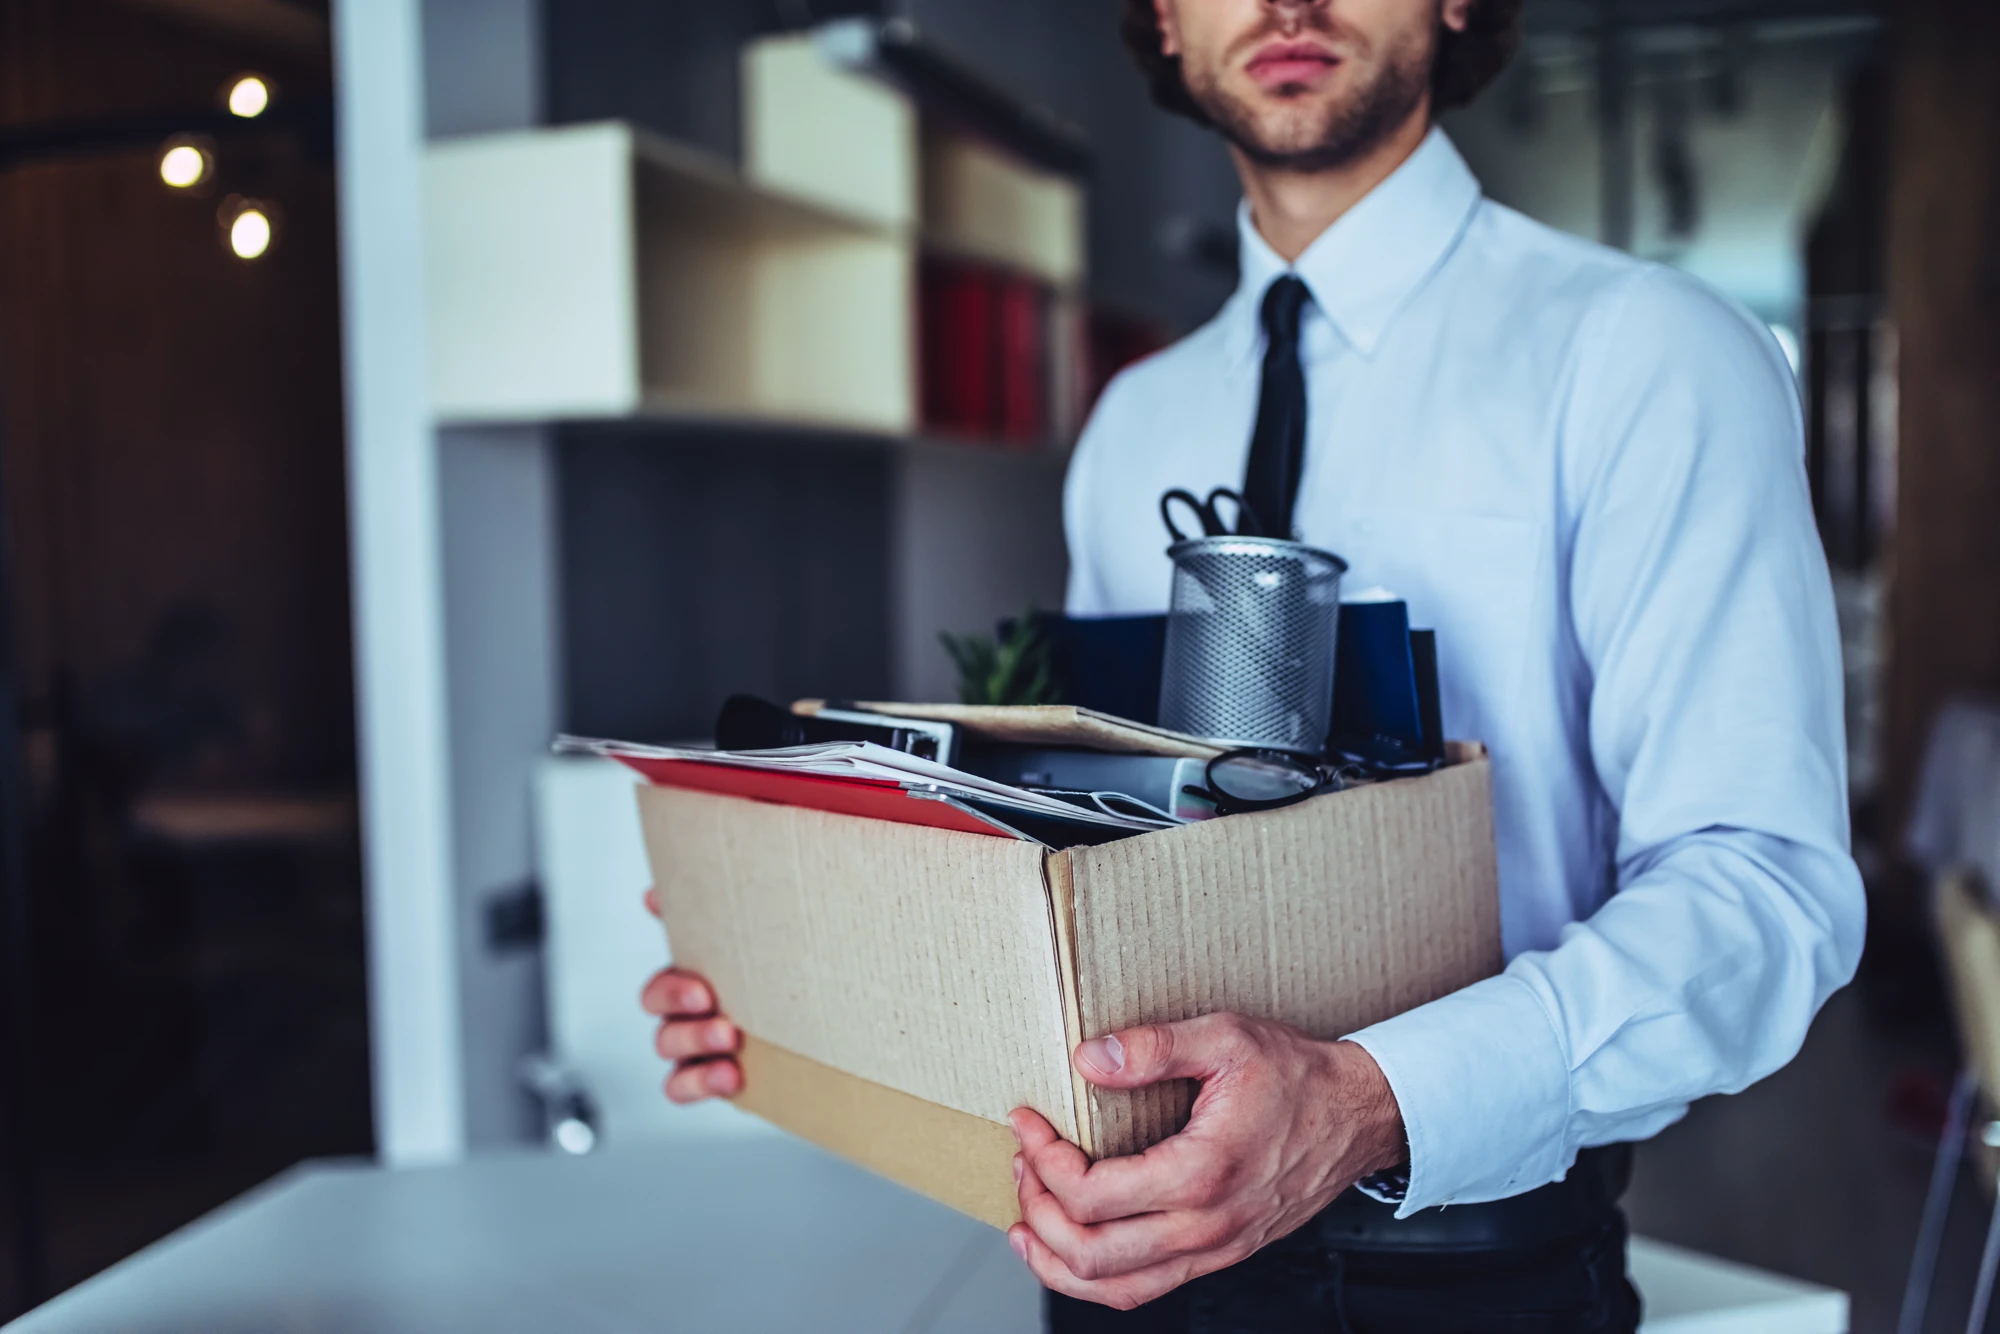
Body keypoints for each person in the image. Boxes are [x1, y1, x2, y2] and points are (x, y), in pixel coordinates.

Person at [640, 0, 1865, 1327]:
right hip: (1124, 1264)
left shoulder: (1648, 353)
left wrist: (1366, 1103)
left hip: (1462, 1280)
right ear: (1165, 20)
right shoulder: (1132, 423)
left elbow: (1763, 886)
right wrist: (811, 987)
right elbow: (1109, 844)